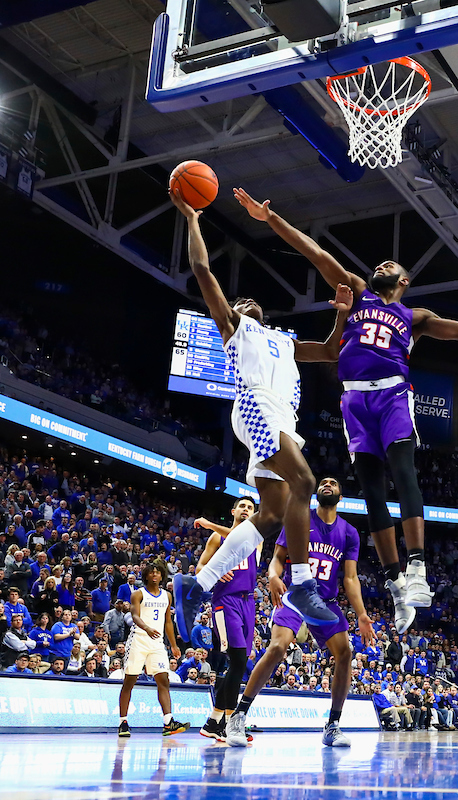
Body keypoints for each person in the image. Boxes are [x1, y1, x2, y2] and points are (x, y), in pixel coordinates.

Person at [235, 186, 458, 633]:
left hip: (392, 395)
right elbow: (316, 253)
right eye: (380, 263)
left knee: (403, 474)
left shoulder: (415, 317)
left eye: (393, 266)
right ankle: (395, 582)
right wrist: (270, 218)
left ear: (404, 281)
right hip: (354, 401)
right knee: (370, 492)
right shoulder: (360, 293)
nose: (382, 265)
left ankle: (419, 565)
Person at [168, 189, 354, 636]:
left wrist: (342, 314)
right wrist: (193, 219)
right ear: (231, 314)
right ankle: (303, 583)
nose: (245, 301)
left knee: (272, 513)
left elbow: (330, 351)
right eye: (238, 301)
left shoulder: (284, 341)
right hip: (254, 407)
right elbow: (201, 269)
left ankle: (198, 584)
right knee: (305, 482)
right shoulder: (236, 330)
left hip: (282, 418)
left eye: (251, 301)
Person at [225, 477, 375, 748]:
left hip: (325, 601)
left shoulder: (350, 533)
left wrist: (362, 614)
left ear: (341, 497)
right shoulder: (300, 518)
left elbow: (350, 579)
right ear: (317, 493)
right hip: (295, 595)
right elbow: (278, 558)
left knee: (345, 653)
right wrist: (271, 575)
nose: (327, 484)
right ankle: (238, 716)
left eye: (333, 483)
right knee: (278, 647)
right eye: (324, 482)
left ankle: (333, 725)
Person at [195, 497, 260, 743]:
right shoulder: (217, 539)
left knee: (238, 664)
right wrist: (216, 571)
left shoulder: (256, 539)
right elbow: (199, 569)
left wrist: (210, 524)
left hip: (249, 602)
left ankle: (215, 721)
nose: (245, 510)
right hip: (226, 601)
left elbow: (240, 535)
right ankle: (230, 721)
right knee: (238, 659)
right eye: (242, 506)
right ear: (233, 511)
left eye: (250, 508)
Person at [117, 563, 190, 737]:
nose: (155, 575)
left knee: (163, 680)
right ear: (147, 576)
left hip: (157, 643)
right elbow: (134, 615)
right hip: (138, 640)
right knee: (129, 681)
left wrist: (173, 644)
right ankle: (123, 722)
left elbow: (168, 622)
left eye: (158, 572)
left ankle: (168, 722)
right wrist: (147, 628)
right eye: (152, 572)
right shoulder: (138, 594)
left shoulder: (167, 595)